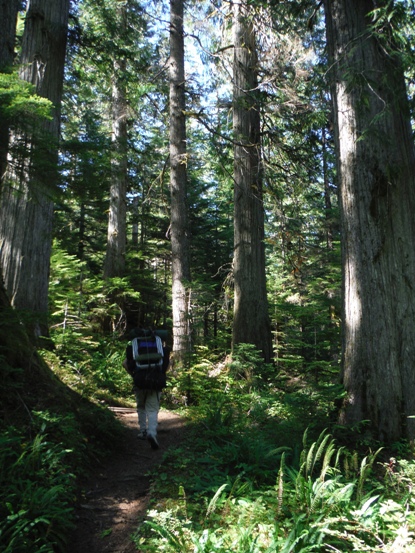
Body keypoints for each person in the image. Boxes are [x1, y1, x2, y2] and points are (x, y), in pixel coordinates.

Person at [123, 330, 170, 450]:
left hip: (139, 381)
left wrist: (133, 375)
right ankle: (152, 432)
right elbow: (166, 366)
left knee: (141, 406)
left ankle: (142, 431)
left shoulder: (133, 346)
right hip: (155, 381)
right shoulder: (161, 348)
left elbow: (125, 364)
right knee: (153, 409)